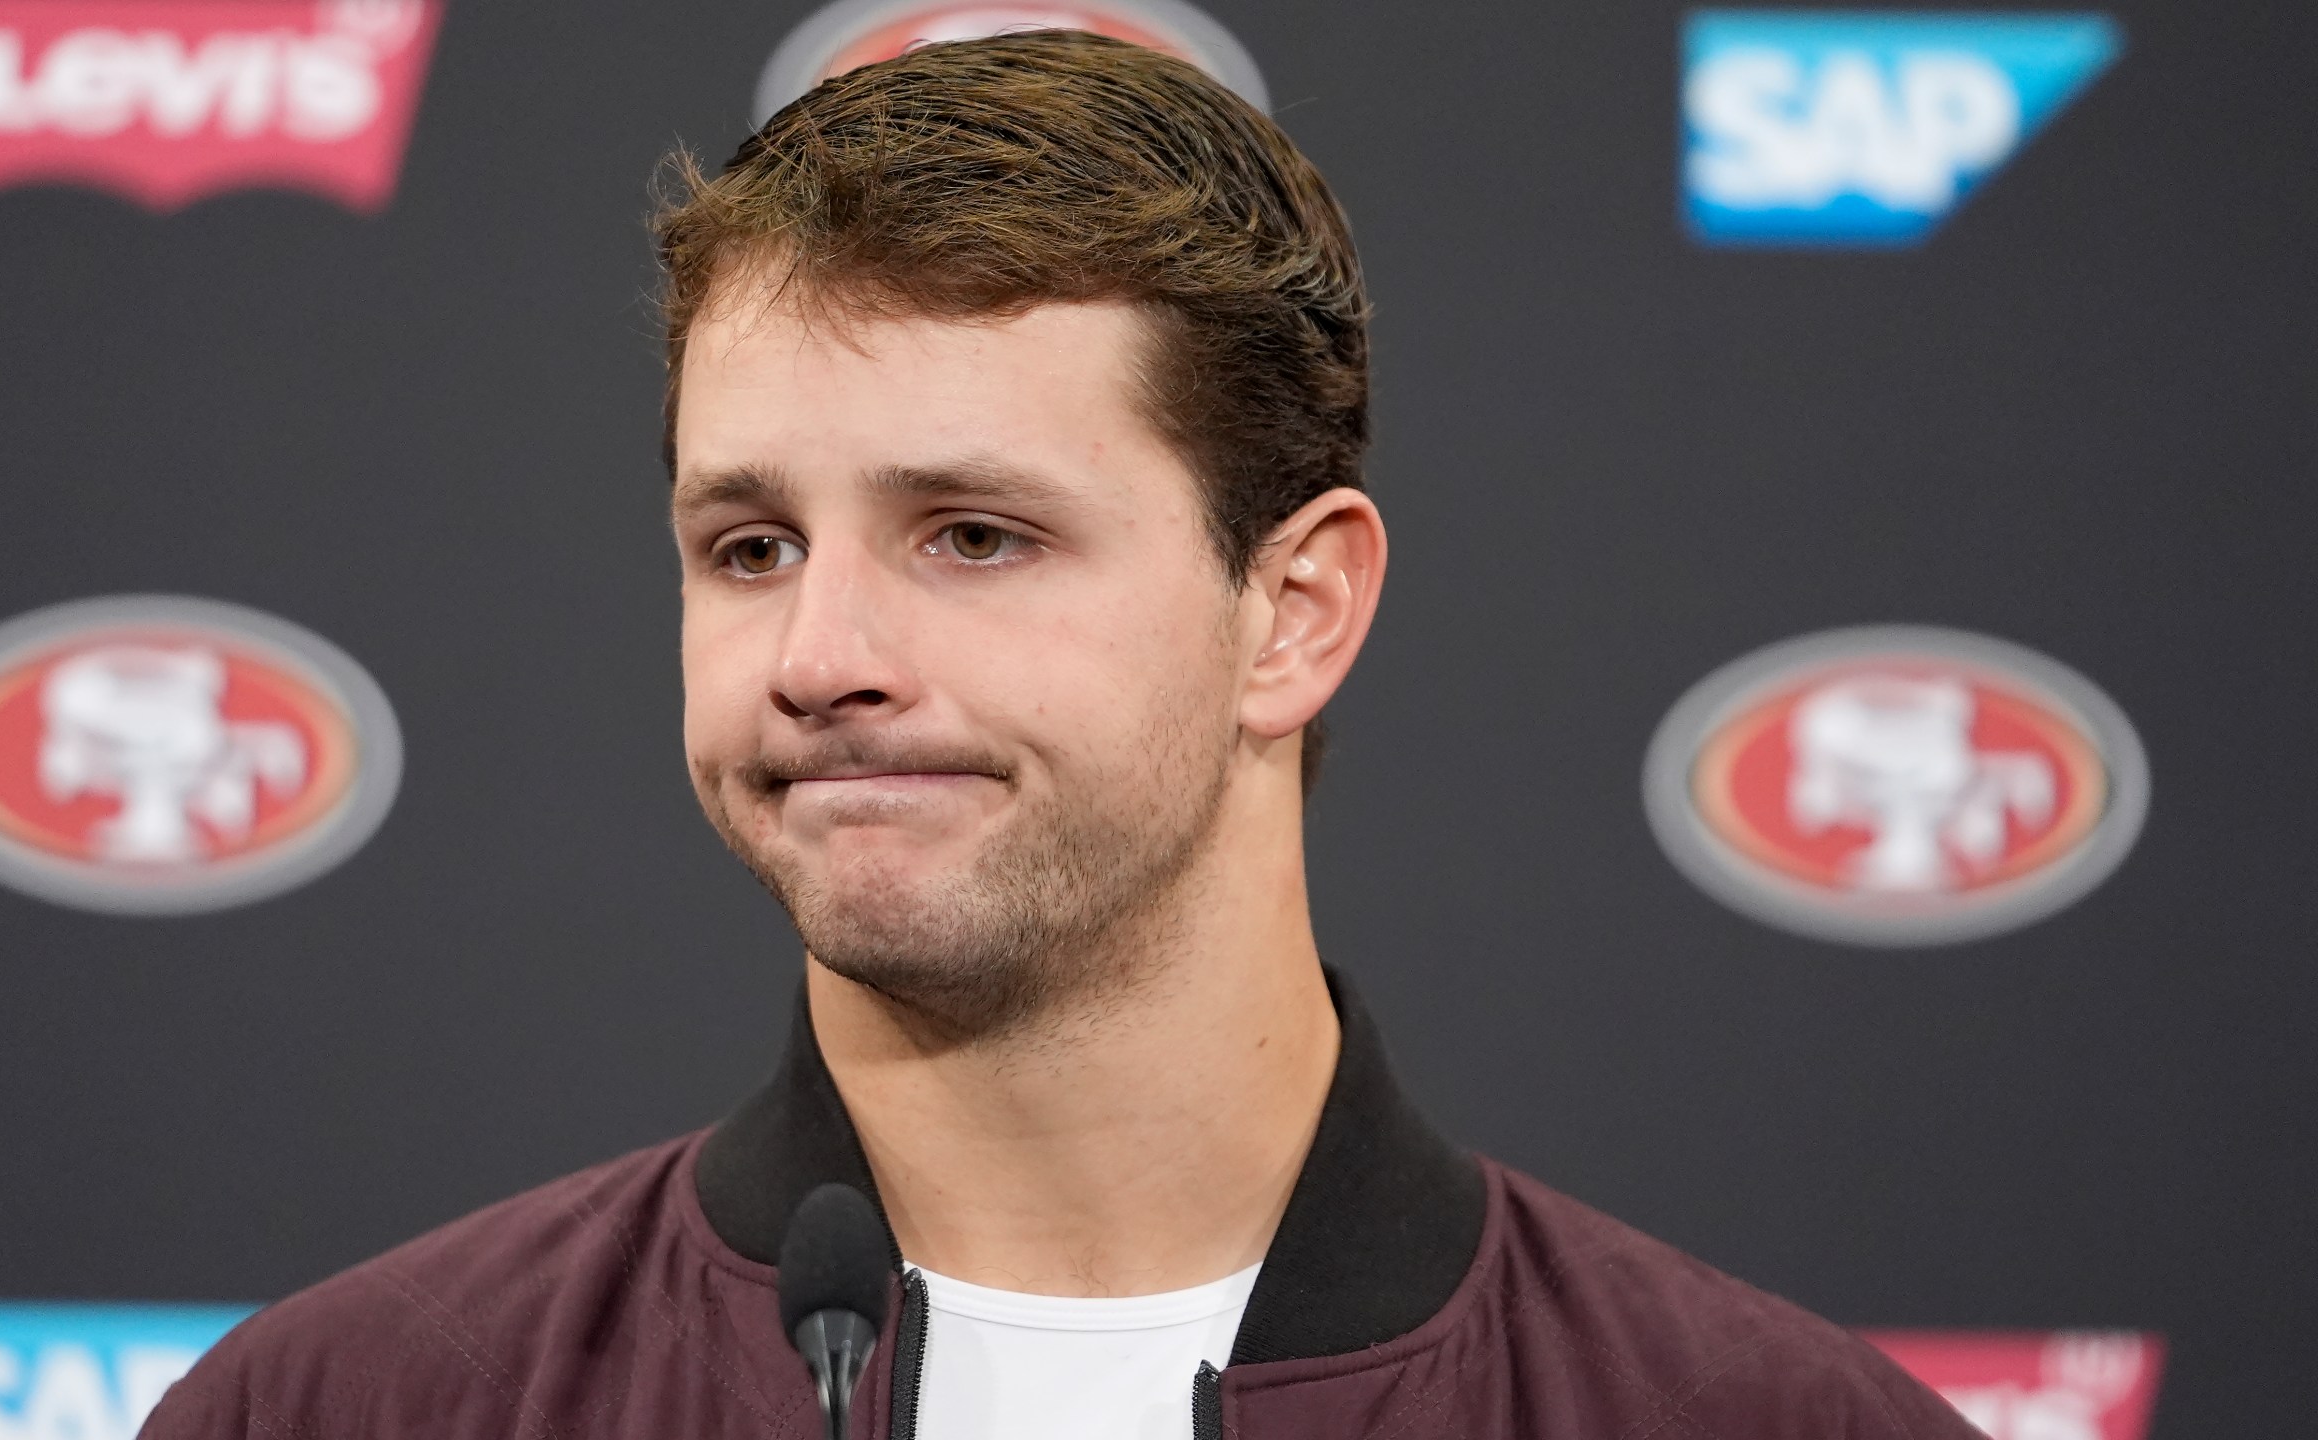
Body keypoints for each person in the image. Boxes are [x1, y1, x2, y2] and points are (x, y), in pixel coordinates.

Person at [145, 32, 1979, 1440]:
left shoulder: (1762, 1420)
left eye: (974, 535)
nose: (820, 654)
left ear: (1297, 613)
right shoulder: (355, 1406)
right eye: (751, 546)